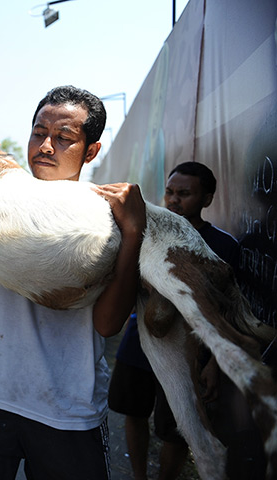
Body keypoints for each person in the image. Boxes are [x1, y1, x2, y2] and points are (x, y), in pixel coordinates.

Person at [0, 85, 147, 479]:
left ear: (91, 151)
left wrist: (134, 233)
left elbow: (107, 325)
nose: (45, 146)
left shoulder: (103, 219)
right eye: (39, 133)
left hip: (68, 413)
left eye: (64, 139)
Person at [108, 161, 261, 480]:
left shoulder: (221, 247)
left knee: (175, 428)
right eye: (170, 192)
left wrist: (212, 366)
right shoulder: (144, 232)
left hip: (188, 356)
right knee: (132, 413)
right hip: (137, 344)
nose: (174, 200)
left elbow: (225, 314)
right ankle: (139, 476)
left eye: (185, 194)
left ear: (207, 199)